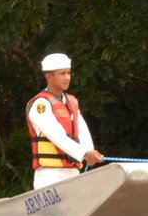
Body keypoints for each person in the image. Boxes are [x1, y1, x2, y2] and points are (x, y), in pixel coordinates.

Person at [26, 53, 104, 189]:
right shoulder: (40, 105)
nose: (67, 77)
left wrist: (90, 152)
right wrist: (84, 153)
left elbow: (82, 130)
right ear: (49, 76)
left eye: (68, 73)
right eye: (62, 74)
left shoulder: (71, 102)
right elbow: (57, 135)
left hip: (73, 172)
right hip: (49, 175)